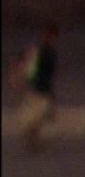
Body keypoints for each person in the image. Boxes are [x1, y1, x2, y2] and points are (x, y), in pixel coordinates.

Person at [12, 23, 59, 152]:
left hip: (41, 88)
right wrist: (18, 79)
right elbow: (21, 63)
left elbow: (21, 63)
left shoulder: (47, 52)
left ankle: (32, 142)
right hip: (37, 88)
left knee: (38, 117)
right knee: (36, 117)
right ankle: (32, 142)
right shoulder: (41, 51)